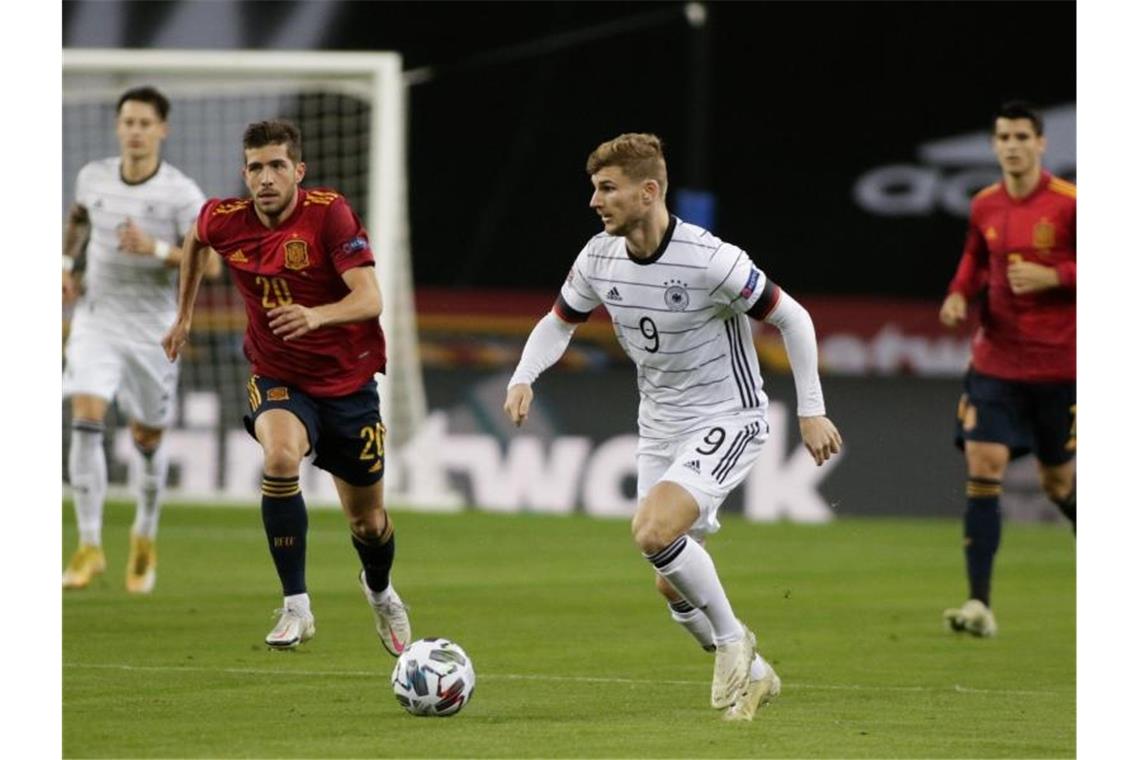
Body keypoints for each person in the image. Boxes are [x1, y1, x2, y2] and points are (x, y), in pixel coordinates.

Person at [503, 133, 842, 721]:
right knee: (670, 581)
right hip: (659, 427)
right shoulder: (597, 257)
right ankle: (757, 675)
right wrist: (523, 376)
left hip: (729, 416)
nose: (595, 201)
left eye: (607, 188)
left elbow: (793, 317)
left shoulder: (711, 260)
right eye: (594, 188)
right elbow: (559, 322)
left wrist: (811, 410)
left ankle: (736, 643)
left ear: (649, 191)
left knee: (653, 532)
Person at [162, 119, 412, 654]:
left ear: (298, 170)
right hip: (278, 376)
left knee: (367, 522)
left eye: (277, 165)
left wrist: (316, 316)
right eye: (256, 167)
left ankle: (380, 589)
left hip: (348, 384)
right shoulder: (224, 219)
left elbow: (370, 299)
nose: (266, 177)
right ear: (244, 172)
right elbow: (195, 240)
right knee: (279, 457)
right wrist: (182, 316)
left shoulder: (328, 214)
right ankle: (296, 604)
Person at [63, 86, 221, 594]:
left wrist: (155, 247)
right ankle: (88, 545)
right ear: (118, 127)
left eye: (144, 123)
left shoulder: (181, 194)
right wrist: (66, 263)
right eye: (127, 121)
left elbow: (213, 263)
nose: (134, 131)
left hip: (153, 330)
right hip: (98, 320)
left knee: (147, 440)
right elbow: (79, 219)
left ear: (162, 130)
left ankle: (145, 533)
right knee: (85, 417)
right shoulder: (93, 176)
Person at [939, 100, 1076, 638]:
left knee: (1057, 482)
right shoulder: (984, 206)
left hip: (1060, 366)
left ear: (1041, 144)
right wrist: (956, 295)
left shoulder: (1070, 205)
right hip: (995, 360)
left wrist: (1056, 277)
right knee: (985, 463)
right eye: (1003, 137)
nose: (1012, 145)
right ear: (995, 145)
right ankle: (979, 604)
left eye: (1022, 136)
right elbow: (975, 260)